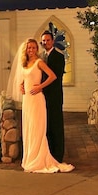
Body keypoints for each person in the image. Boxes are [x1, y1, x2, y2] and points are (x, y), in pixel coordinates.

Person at [16, 38, 74, 173]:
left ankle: (40, 158)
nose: (31, 50)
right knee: (29, 128)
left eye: (33, 48)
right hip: (27, 100)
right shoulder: (25, 63)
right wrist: (21, 85)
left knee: (37, 129)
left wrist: (40, 87)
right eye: (29, 48)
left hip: (37, 99)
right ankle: (30, 157)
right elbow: (25, 78)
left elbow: (53, 76)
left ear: (37, 49)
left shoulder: (39, 62)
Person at [41, 30, 65, 162]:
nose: (45, 42)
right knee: (47, 125)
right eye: (43, 41)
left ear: (53, 41)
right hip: (43, 97)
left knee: (56, 125)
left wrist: (42, 86)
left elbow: (56, 77)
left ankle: (58, 154)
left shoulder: (58, 56)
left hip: (54, 96)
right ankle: (49, 152)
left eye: (48, 40)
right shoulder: (41, 56)